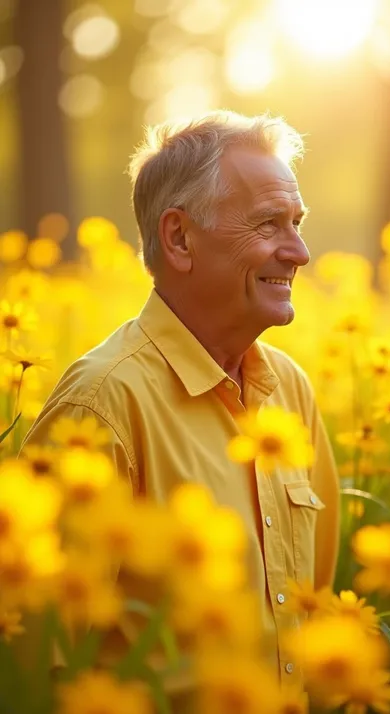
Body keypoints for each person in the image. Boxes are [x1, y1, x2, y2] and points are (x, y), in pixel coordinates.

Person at [22, 110, 340, 689]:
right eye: (269, 224)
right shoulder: (100, 408)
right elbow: (39, 668)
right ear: (179, 238)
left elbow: (312, 617)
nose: (299, 251)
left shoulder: (291, 393)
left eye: (297, 222)